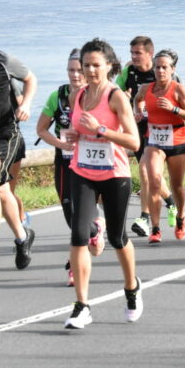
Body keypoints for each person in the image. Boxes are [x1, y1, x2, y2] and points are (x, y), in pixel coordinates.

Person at [61, 39, 142, 329]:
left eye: (97, 64)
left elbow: (134, 141)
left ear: (109, 66)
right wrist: (73, 135)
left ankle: (132, 288)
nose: (91, 70)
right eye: (86, 65)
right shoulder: (78, 95)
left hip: (114, 174)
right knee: (78, 235)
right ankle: (81, 306)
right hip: (82, 170)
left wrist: (102, 130)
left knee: (119, 238)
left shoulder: (116, 96)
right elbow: (77, 129)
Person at [36, 48, 86, 285]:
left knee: (81, 215)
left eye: (79, 70)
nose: (75, 75)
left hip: (90, 163)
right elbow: (41, 129)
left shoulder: (97, 96)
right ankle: (90, 233)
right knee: (69, 210)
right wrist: (59, 143)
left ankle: (74, 264)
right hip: (65, 161)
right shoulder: (57, 96)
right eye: (71, 70)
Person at [135, 50, 185, 242]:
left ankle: (180, 217)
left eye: (164, 67)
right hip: (154, 141)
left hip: (177, 140)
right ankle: (155, 228)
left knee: (177, 186)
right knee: (154, 180)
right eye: (157, 67)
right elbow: (138, 100)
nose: (160, 70)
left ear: (172, 69)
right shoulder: (146, 88)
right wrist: (139, 112)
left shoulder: (178, 90)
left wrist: (174, 108)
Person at [117, 36, 175, 238]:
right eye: (132, 53)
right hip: (139, 129)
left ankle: (144, 218)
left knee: (144, 168)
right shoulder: (128, 72)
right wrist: (124, 100)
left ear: (149, 54)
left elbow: (175, 97)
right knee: (154, 177)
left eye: (138, 53)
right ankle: (171, 203)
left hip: (161, 130)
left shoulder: (160, 71)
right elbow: (114, 93)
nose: (133, 56)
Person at [0, 46, 37, 270]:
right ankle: (22, 237)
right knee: (2, 190)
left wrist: (26, 104)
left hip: (5, 133)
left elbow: (30, 78)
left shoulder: (2, 60)